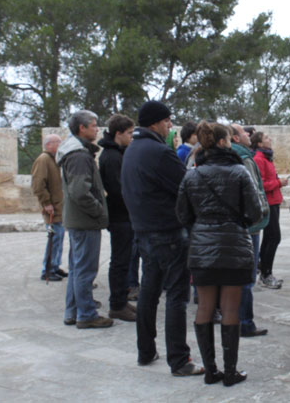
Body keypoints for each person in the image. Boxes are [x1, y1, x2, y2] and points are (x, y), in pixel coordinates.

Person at [176, 121, 262, 387]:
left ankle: (211, 371)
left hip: (202, 248)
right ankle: (231, 371)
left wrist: (202, 228)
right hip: (233, 246)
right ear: (225, 142)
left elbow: (182, 214)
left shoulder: (192, 174)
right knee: (230, 308)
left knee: (204, 307)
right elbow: (255, 212)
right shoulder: (238, 172)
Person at [121, 100, 203, 376]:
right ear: (156, 123)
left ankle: (145, 351)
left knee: (149, 291)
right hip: (167, 232)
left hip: (143, 231)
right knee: (177, 295)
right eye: (168, 121)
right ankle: (179, 360)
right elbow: (187, 187)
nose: (171, 126)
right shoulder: (158, 152)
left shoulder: (132, 150)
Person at [57, 110, 112, 329]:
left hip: (78, 219)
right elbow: (80, 191)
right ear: (82, 128)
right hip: (85, 220)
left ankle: (73, 311)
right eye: (93, 125)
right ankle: (87, 314)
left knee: (77, 267)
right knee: (86, 269)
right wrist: (99, 210)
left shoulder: (74, 151)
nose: (97, 129)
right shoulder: (79, 155)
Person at [230, 124, 270, 338]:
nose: (249, 134)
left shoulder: (226, 156)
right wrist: (259, 215)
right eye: (245, 133)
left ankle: (233, 319)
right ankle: (245, 323)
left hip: (232, 224)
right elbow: (253, 191)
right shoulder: (245, 158)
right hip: (248, 225)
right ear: (235, 138)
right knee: (247, 275)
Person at [98, 114, 137, 322]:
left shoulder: (117, 154)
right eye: (129, 133)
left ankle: (121, 300)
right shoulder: (111, 157)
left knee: (124, 259)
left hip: (124, 216)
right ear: (118, 133)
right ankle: (117, 305)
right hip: (120, 216)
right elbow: (117, 189)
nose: (132, 137)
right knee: (120, 261)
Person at [251, 131, 288, 289]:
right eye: (266, 138)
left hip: (274, 201)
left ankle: (264, 270)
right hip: (268, 202)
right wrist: (279, 183)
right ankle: (266, 273)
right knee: (274, 237)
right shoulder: (259, 159)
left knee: (270, 237)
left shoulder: (266, 157)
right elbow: (261, 184)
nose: (270, 139)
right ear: (259, 144)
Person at [30, 133, 67, 282]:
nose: (60, 144)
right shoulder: (44, 160)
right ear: (49, 145)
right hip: (52, 208)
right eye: (58, 142)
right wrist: (46, 203)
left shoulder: (53, 160)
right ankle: (48, 270)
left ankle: (55, 266)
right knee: (54, 237)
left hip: (59, 206)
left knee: (58, 237)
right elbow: (38, 184)